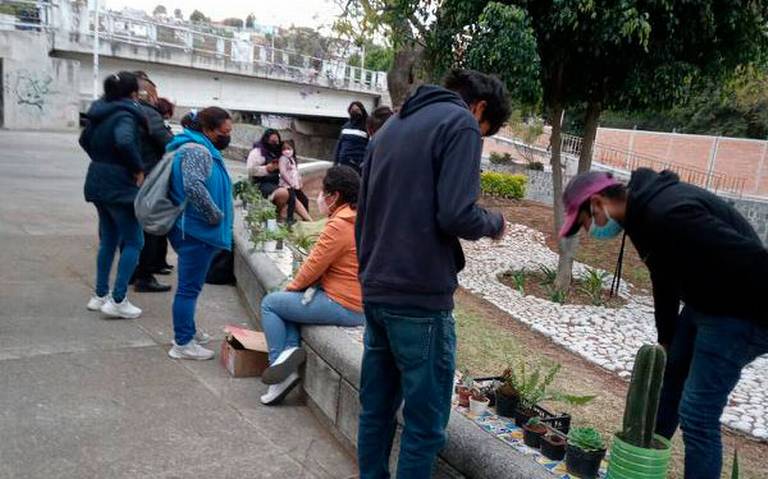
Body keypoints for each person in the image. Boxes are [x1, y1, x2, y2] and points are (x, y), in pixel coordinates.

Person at [559, 169, 768, 479]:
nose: (589, 230)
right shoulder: (642, 217)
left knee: (697, 416)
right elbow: (664, 278)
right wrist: (667, 339)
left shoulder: (669, 213)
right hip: (706, 306)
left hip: (739, 315)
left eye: (584, 221)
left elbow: (750, 257)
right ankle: (640, 469)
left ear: (597, 203)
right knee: (668, 385)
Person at [355, 69, 510, 478]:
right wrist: (493, 222)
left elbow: (363, 212)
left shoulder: (390, 127)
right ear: (479, 108)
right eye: (485, 130)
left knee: (376, 411)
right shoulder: (460, 122)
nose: (479, 136)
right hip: (420, 299)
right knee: (424, 427)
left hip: (377, 291)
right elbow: (457, 212)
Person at [259, 165, 365, 405]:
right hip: (359, 303)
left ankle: (278, 370)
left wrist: (290, 289)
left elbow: (313, 267)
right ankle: (289, 358)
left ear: (335, 196)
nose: (320, 197)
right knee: (291, 309)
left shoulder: (340, 225)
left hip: (343, 304)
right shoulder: (359, 218)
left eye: (323, 192)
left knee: (271, 304)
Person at [165, 107, 234, 360]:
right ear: (207, 130)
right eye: (224, 132)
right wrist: (214, 215)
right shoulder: (197, 149)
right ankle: (182, 343)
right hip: (196, 231)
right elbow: (193, 186)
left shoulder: (197, 146)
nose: (228, 136)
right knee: (188, 289)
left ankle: (188, 331)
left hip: (194, 230)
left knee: (190, 287)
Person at [81, 71, 147, 319]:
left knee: (108, 239)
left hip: (97, 179)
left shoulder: (99, 111)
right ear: (132, 93)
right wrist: (137, 167)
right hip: (120, 185)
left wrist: (102, 160)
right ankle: (118, 299)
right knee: (134, 241)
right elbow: (125, 141)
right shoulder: (126, 114)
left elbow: (84, 139)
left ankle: (100, 295)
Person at [130, 72, 174, 293]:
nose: (157, 98)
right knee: (151, 229)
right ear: (146, 93)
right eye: (154, 94)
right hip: (148, 178)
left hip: (124, 179)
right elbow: (168, 143)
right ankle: (144, 276)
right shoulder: (149, 114)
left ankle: (132, 272)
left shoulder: (120, 111)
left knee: (126, 230)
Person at [247, 129, 291, 218]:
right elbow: (250, 170)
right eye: (272, 141)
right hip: (260, 183)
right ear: (266, 140)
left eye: (276, 141)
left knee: (293, 193)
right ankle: (277, 215)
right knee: (284, 193)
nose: (275, 143)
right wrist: (267, 169)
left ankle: (307, 218)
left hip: (275, 182)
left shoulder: (277, 152)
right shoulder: (258, 152)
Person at [278, 139, 312, 222]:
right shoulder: (283, 159)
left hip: (294, 186)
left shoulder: (292, 159)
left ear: (293, 149)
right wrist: (291, 183)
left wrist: (299, 182)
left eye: (288, 149)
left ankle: (305, 218)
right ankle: (289, 219)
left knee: (304, 200)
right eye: (284, 149)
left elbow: (296, 172)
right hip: (287, 185)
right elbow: (283, 172)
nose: (286, 151)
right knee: (292, 201)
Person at [334, 101, 369, 173]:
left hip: (357, 166)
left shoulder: (367, 127)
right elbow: (339, 145)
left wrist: (364, 163)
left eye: (357, 110)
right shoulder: (345, 126)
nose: (355, 112)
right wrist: (335, 162)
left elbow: (370, 147)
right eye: (352, 110)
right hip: (343, 163)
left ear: (362, 111)